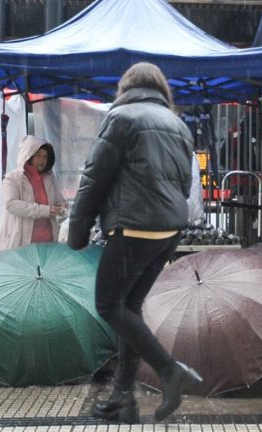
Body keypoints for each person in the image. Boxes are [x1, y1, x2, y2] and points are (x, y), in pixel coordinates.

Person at [67, 62, 202, 424]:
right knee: (130, 308)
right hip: (169, 230)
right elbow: (185, 186)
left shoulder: (121, 118)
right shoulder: (178, 125)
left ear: (125, 86)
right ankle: (122, 399)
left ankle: (169, 370)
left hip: (134, 226)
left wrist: (77, 231)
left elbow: (95, 177)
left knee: (109, 305)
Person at [0, 135, 66, 251]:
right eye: (38, 155)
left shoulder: (49, 178)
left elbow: (60, 201)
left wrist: (61, 207)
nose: (42, 160)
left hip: (48, 242)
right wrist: (46, 210)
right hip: (21, 242)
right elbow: (11, 205)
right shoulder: (13, 178)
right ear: (28, 155)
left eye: (45, 156)